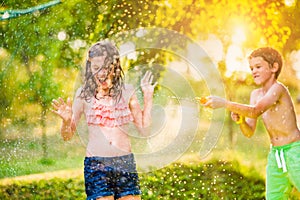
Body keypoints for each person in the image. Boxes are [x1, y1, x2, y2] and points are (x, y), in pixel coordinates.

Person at [51, 40, 157, 200]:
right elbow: (67, 136)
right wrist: (66, 121)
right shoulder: (83, 95)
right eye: (96, 68)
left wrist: (148, 98)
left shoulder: (127, 92)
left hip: (125, 163)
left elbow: (144, 130)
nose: (101, 73)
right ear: (89, 68)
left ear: (116, 67)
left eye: (107, 68)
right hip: (96, 165)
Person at [202, 47, 300, 199]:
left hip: (295, 151)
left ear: (274, 67)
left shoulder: (278, 89)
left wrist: (224, 103)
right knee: (274, 197)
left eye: (258, 67)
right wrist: (241, 121)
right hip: (275, 155)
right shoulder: (255, 95)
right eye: (251, 68)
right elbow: (249, 132)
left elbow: (255, 111)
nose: (254, 71)